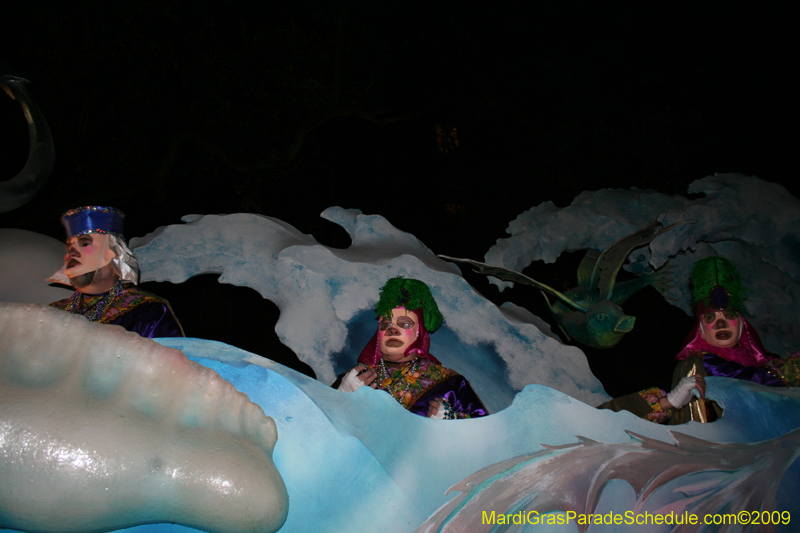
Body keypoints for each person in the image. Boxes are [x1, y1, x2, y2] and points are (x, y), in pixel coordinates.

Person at [600, 256, 799, 423]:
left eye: (728, 317)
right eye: (711, 319)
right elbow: (744, 381)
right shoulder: (700, 363)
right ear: (701, 330)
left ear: (743, 326)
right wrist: (786, 372)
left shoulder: (762, 360)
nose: (721, 325)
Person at [333, 277, 487, 419]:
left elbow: (486, 437)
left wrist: (453, 421)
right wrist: (339, 396)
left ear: (419, 333)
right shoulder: (353, 380)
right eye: (386, 324)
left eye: (404, 323)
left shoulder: (450, 384)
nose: (392, 330)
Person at [47, 206, 184, 338]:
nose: (72, 251)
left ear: (114, 254)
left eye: (85, 244)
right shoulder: (51, 314)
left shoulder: (147, 311)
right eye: (70, 246)